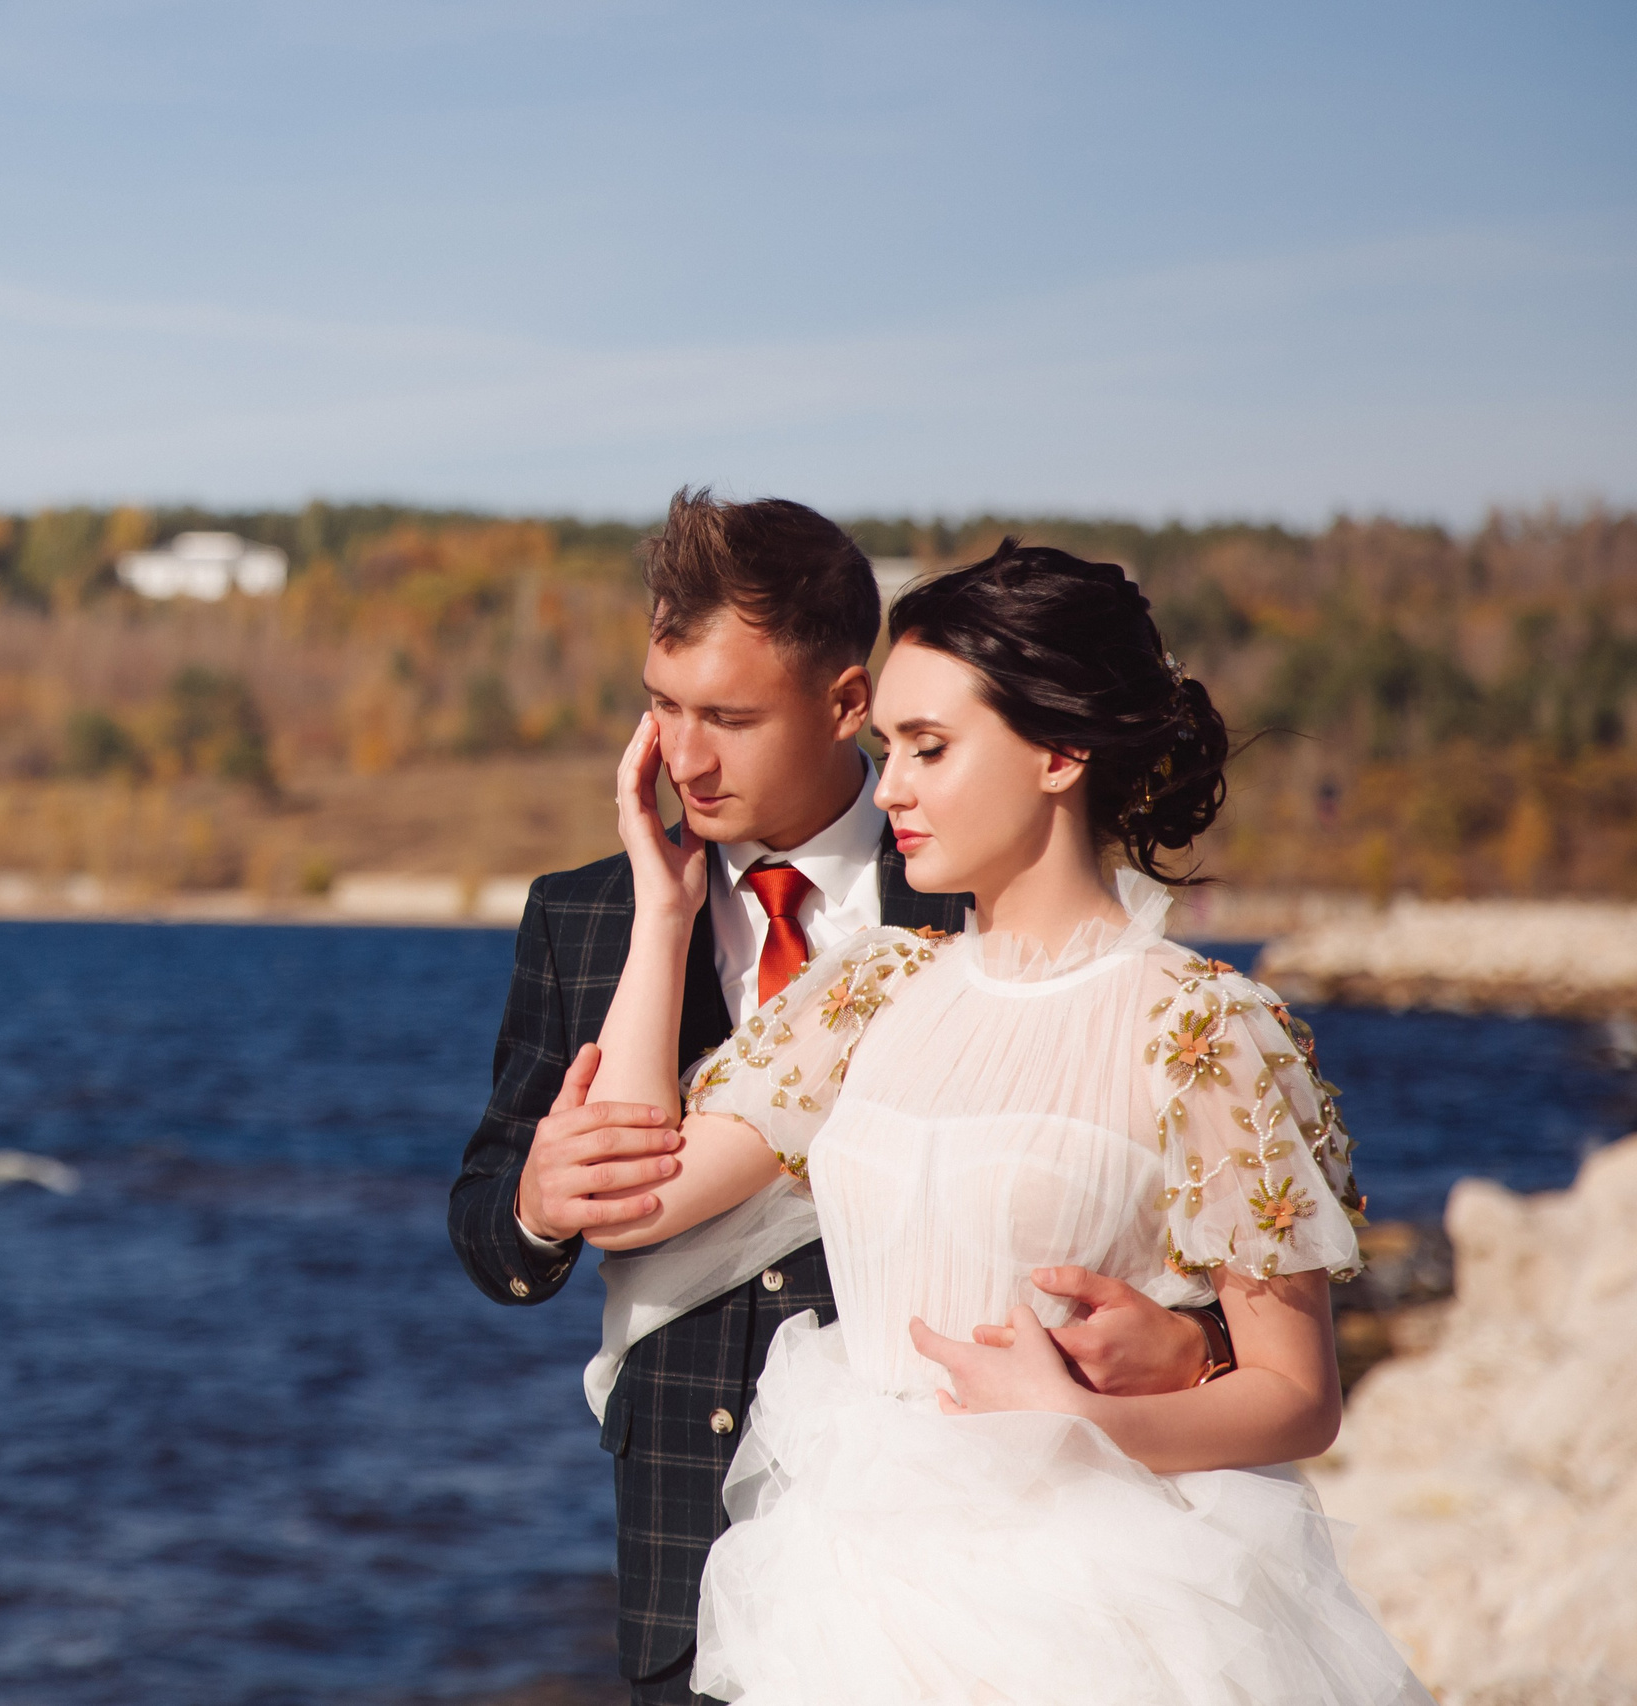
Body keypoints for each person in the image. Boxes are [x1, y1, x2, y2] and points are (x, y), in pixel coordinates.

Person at [583, 539, 1428, 1703]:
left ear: (1060, 751)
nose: (889, 789)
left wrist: (1079, 1418)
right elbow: (631, 1191)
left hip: (1088, 1605)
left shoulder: (1202, 1028)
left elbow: (1299, 1394)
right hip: (842, 1590)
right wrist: (658, 909)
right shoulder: (866, 989)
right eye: (888, 750)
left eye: (929, 748)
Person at [449, 494, 1237, 1705]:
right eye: (661, 706)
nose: (684, 756)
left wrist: (1190, 1348)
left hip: (976, 1563)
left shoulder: (981, 894)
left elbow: (1162, 1213)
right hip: (685, 1561)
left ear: (843, 702)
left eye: (728, 716)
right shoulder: (586, 914)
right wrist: (538, 1203)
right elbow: (491, 1217)